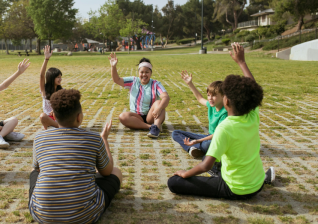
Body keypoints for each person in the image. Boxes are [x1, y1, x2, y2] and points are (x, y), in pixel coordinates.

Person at [167, 43, 275, 200]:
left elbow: (206, 166)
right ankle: (262, 177)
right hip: (257, 184)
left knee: (174, 182)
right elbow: (252, 89)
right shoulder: (252, 115)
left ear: (227, 102)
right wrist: (241, 62)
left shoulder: (224, 128)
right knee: (215, 158)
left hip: (236, 189)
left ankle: (219, 176)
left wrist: (185, 173)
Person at [29, 89, 122, 224]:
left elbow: (38, 168)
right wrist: (104, 139)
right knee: (116, 172)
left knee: (33, 170)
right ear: (79, 117)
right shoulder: (94, 138)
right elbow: (107, 172)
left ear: (53, 116)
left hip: (42, 214)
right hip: (86, 215)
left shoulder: (40, 138)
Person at [108, 53, 170, 138]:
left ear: (151, 73)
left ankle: (155, 126)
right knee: (122, 116)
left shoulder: (156, 84)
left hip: (152, 116)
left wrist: (159, 108)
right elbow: (116, 80)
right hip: (136, 117)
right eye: (142, 72)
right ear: (138, 72)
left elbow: (166, 97)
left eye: (147, 72)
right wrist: (113, 67)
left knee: (159, 102)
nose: (144, 75)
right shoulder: (133, 81)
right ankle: (153, 127)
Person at [171, 74, 227, 159]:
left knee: (206, 144)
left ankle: (196, 146)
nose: (210, 98)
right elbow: (200, 98)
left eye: (214, 95)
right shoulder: (212, 106)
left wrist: (198, 140)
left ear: (223, 96)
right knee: (176, 133)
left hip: (217, 140)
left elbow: (217, 135)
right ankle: (193, 148)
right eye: (208, 95)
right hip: (208, 137)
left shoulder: (225, 113)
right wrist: (190, 83)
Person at [39, 45, 63, 130]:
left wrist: (56, 110)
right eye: (58, 77)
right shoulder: (44, 90)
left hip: (60, 117)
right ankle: (61, 128)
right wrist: (46, 59)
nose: (60, 79)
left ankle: (60, 127)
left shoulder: (61, 91)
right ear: (51, 78)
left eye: (60, 77)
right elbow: (41, 75)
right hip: (49, 119)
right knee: (42, 116)